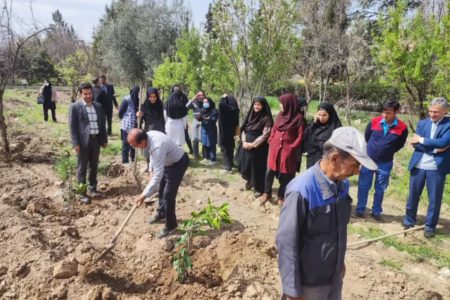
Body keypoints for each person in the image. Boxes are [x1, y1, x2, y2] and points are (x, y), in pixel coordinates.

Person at [276, 127, 377, 300]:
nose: (357, 172)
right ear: (335, 159)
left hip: (333, 276)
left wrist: (339, 263)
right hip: (309, 284)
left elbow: (337, 231)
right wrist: (293, 291)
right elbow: (286, 243)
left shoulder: (342, 186)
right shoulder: (301, 190)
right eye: (355, 165)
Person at [128, 128, 189, 238]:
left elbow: (157, 176)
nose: (134, 148)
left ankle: (171, 226)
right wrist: (151, 169)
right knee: (161, 189)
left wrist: (143, 195)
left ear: (141, 142)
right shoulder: (149, 136)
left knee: (168, 195)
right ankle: (161, 213)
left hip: (178, 163)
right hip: (167, 162)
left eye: (134, 145)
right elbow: (152, 153)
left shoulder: (157, 146)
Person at [403, 97, 450, 238]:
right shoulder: (423, 123)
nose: (432, 114)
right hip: (419, 165)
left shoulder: (449, 125)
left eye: (436, 112)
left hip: (436, 168)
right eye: (430, 111)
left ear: (445, 111)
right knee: (413, 195)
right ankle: (409, 220)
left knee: (434, 199)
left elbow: (443, 142)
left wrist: (423, 140)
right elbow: (415, 143)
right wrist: (436, 149)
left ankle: (430, 226)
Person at [355, 99, 408, 221]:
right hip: (368, 160)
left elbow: (400, 144)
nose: (385, 115)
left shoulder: (402, 127)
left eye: (388, 112)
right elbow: (367, 137)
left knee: (380, 188)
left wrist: (387, 151)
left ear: (396, 112)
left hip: (385, 163)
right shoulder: (374, 122)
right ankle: (360, 209)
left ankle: (376, 211)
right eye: (383, 112)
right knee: (363, 186)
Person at [261, 93, 305, 206]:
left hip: (288, 150)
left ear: (289, 105)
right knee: (269, 171)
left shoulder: (298, 118)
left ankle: (281, 196)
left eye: (282, 104)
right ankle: (267, 193)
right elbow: (275, 128)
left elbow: (300, 135)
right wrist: (271, 140)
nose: (280, 106)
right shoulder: (280, 115)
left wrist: (292, 147)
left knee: (286, 174)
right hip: (275, 148)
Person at [69, 82, 108, 204]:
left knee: (94, 166)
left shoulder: (98, 106)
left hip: (96, 140)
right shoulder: (75, 107)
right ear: (81, 94)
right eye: (85, 94)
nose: (88, 96)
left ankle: (93, 188)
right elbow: (72, 126)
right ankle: (82, 192)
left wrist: (104, 139)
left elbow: (102, 124)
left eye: (89, 93)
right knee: (82, 168)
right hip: (83, 142)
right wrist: (75, 143)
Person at [237, 96, 273, 197]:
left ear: (263, 106)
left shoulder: (266, 118)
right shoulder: (250, 115)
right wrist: (244, 141)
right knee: (246, 166)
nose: (256, 107)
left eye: (259, 105)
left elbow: (265, 135)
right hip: (246, 144)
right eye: (255, 104)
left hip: (259, 148)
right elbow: (243, 128)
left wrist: (252, 145)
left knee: (257, 168)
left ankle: (258, 188)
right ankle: (249, 183)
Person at [303, 102, 342, 168]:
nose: (321, 118)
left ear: (330, 115)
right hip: (313, 158)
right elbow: (305, 137)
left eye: (324, 115)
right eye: (319, 114)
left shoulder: (336, 127)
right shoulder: (314, 125)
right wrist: (313, 124)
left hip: (327, 158)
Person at [118, 86, 139, 164]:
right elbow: (120, 112)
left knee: (134, 143)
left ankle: (133, 159)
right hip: (126, 126)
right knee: (126, 144)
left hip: (134, 126)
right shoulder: (126, 99)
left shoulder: (138, 101)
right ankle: (125, 161)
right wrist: (125, 119)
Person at [218, 94, 240, 171]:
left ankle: (228, 167)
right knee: (230, 147)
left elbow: (221, 105)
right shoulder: (235, 109)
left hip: (224, 132)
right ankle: (231, 163)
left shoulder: (225, 108)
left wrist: (223, 98)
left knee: (225, 148)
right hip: (231, 131)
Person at [186, 90, 206, 159]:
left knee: (204, 138)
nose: (201, 96)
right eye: (199, 95)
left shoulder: (206, 102)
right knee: (195, 139)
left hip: (204, 121)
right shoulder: (194, 102)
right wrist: (193, 99)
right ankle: (195, 155)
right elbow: (186, 107)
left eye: (202, 95)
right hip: (195, 121)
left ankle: (204, 154)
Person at [200, 97, 219, 166]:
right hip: (204, 129)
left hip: (211, 129)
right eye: (204, 102)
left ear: (210, 103)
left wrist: (209, 118)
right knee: (205, 143)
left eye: (206, 102)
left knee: (211, 144)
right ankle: (206, 158)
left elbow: (214, 119)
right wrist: (200, 117)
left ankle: (213, 159)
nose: (205, 104)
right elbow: (200, 118)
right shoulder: (202, 110)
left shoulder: (214, 110)